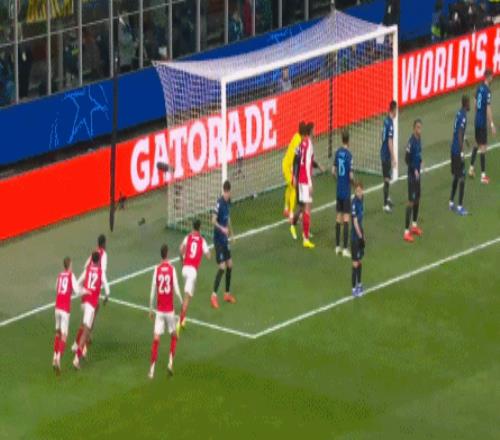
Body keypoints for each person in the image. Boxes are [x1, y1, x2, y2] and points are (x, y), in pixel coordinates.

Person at [148, 244, 183, 378]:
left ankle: (151, 370)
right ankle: (170, 363)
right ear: (167, 254)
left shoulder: (156, 269)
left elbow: (153, 291)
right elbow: (176, 289)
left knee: (156, 339)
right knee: (174, 335)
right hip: (169, 311)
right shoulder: (172, 269)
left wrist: (151, 309)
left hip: (159, 311)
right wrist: (181, 303)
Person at [73, 252, 110, 369]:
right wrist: (106, 298)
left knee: (87, 327)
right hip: (91, 304)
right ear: (99, 261)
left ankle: (80, 348)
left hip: (84, 302)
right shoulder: (101, 272)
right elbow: (107, 290)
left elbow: (77, 283)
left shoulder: (87, 270)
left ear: (91, 260)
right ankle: (77, 358)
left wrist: (83, 291)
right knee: (86, 331)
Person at [178, 219, 211, 331]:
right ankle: (181, 319)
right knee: (187, 297)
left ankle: (183, 314)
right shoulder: (202, 240)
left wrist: (182, 259)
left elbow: (181, 249)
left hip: (184, 269)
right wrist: (206, 252)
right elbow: (208, 256)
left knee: (188, 294)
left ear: (193, 227)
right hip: (192, 272)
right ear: (200, 228)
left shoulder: (188, 237)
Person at [53, 257, 81, 374]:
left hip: (57, 307)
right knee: (64, 335)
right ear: (69, 266)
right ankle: (58, 358)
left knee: (57, 333)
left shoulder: (60, 275)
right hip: (65, 309)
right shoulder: (71, 275)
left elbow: (56, 288)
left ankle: (54, 357)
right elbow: (77, 291)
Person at [211, 180, 236, 308]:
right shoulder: (219, 203)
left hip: (225, 240)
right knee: (222, 267)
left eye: (228, 192)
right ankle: (213, 296)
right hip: (218, 240)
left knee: (230, 265)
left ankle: (226, 294)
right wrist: (222, 229)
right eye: (226, 192)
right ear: (225, 191)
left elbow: (228, 218)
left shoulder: (228, 203)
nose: (227, 194)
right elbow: (213, 220)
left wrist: (232, 233)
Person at [469, 69, 495, 184]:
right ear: (488, 77)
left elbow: (475, 101)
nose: (492, 78)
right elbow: (488, 108)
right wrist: (491, 124)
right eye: (491, 77)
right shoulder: (487, 91)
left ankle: (471, 168)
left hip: (477, 119)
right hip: (482, 122)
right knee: (483, 147)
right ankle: (483, 176)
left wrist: (477, 112)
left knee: (476, 143)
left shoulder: (479, 88)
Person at [333, 130, 354, 257]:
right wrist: (353, 183)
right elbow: (351, 175)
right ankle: (345, 248)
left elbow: (333, 171)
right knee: (346, 219)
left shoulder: (337, 153)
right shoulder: (349, 155)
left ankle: (337, 247)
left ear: (342, 139)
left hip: (339, 189)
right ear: (348, 140)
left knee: (338, 217)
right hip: (346, 191)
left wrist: (339, 179)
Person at [449, 95, 470, 216]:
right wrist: (462, 151)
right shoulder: (463, 116)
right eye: (469, 103)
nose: (469, 105)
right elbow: (460, 133)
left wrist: (465, 139)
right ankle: (460, 207)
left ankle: (451, 202)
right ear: (466, 104)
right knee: (462, 178)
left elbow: (458, 131)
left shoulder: (459, 114)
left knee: (456, 177)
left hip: (453, 149)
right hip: (457, 152)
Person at [296, 123, 316, 249]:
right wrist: (310, 183)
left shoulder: (302, 143)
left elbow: (298, 158)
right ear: (311, 131)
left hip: (300, 179)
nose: (315, 131)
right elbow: (308, 163)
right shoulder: (309, 144)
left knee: (305, 208)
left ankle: (305, 231)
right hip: (305, 180)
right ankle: (305, 239)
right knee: (307, 208)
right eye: (314, 130)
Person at [404, 119, 424, 243]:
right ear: (413, 128)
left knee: (417, 199)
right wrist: (414, 169)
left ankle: (414, 225)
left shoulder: (419, 140)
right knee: (411, 202)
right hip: (412, 176)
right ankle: (406, 232)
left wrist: (421, 162)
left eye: (420, 127)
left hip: (417, 175)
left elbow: (418, 154)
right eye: (417, 127)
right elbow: (407, 159)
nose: (419, 130)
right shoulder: (410, 142)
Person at [283, 121, 305, 226]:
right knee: (293, 188)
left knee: (289, 187)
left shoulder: (296, 136)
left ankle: (286, 208)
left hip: (285, 164)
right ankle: (291, 214)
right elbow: (294, 157)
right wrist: (294, 173)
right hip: (289, 167)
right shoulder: (299, 142)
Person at [381, 100, 398, 213]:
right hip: (386, 154)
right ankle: (385, 205)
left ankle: (387, 198)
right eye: (396, 109)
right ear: (394, 110)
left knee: (387, 177)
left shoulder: (386, 120)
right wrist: (393, 157)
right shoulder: (390, 124)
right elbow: (389, 141)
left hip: (383, 152)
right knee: (387, 179)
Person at [351, 182, 365, 297]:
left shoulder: (361, 201)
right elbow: (355, 222)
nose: (359, 193)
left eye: (360, 191)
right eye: (357, 191)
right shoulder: (354, 204)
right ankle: (354, 289)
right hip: (355, 238)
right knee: (355, 263)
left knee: (360, 261)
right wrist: (360, 236)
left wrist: (363, 235)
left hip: (360, 235)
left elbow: (360, 222)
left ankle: (359, 284)